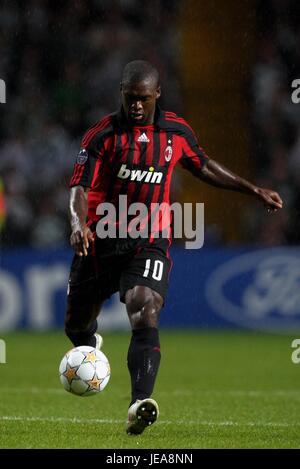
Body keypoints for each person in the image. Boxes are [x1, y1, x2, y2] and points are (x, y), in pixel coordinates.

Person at [65, 60, 283, 435]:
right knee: (76, 324)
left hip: (149, 239)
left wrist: (253, 190)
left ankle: (138, 404)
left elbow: (205, 165)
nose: (135, 106)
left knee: (145, 307)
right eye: (130, 98)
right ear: (121, 93)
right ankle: (88, 343)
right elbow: (79, 189)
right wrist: (78, 223)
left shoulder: (175, 133)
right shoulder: (101, 136)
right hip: (100, 240)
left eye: (143, 99)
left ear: (157, 95)